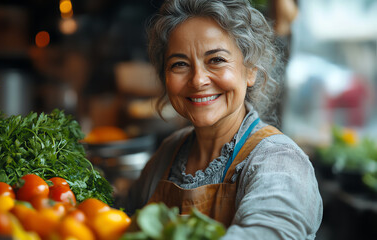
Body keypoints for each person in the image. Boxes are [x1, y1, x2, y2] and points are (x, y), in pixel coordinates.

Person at [117, 0, 323, 239]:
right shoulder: (168, 154)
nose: (198, 80)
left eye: (216, 60)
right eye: (180, 64)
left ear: (251, 70)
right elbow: (121, 219)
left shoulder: (280, 161)